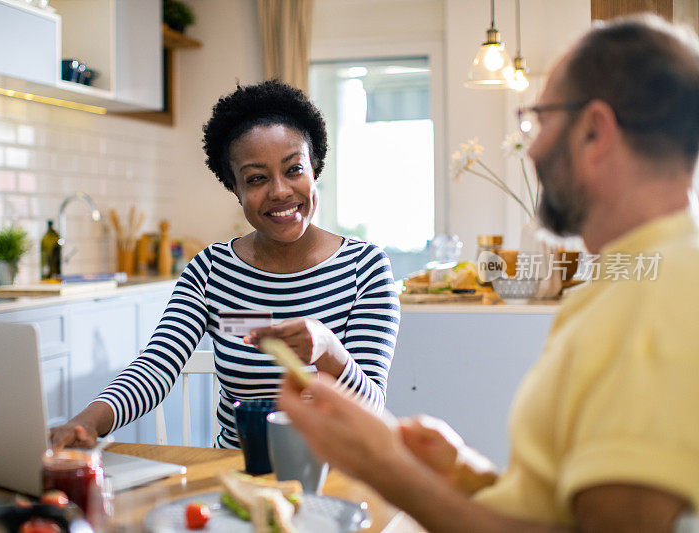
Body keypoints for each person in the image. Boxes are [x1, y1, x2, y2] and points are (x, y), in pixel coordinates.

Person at [279, 14, 699, 531]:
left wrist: (387, 470)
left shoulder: (657, 298)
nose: (534, 147)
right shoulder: (634, 279)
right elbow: (561, 509)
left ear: (594, 131)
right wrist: (464, 475)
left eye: (540, 120)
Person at [50, 80, 400, 449]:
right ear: (235, 189)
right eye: (257, 178)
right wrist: (87, 422)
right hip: (238, 475)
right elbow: (155, 366)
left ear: (315, 169)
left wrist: (329, 349)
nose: (280, 190)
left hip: (336, 474)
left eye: (293, 169)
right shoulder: (211, 270)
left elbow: (372, 410)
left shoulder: (366, 267)